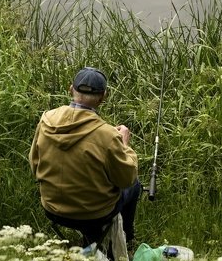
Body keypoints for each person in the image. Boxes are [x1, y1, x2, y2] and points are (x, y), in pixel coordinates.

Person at [29, 66, 142, 248]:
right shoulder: (107, 135)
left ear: (71, 89)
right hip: (94, 214)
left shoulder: (46, 120)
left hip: (51, 208)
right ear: (103, 97)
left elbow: (34, 165)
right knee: (135, 186)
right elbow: (126, 179)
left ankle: (93, 240)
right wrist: (124, 146)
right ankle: (126, 241)